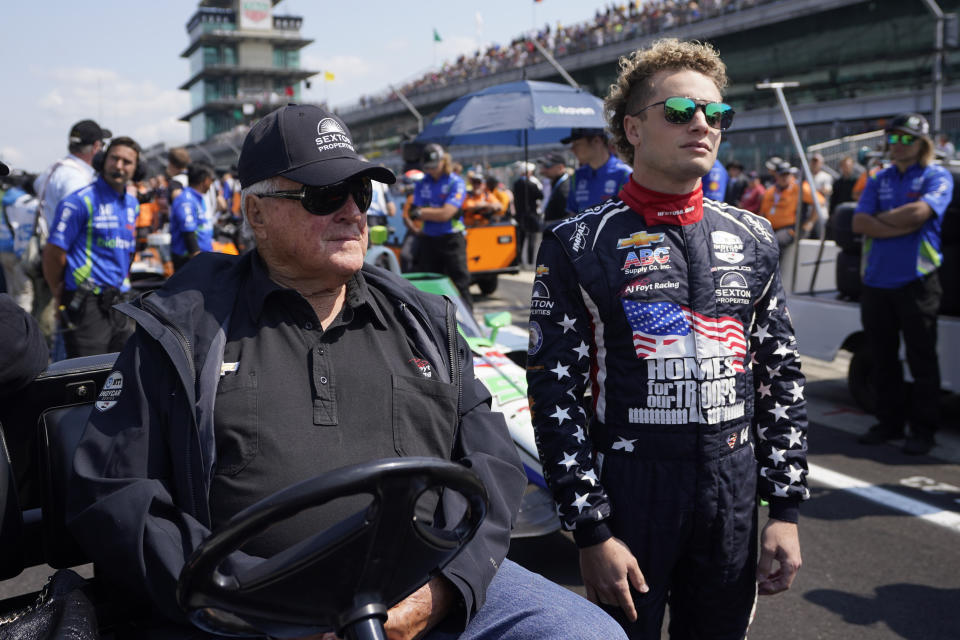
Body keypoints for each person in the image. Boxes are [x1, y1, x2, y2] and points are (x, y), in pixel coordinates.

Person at [66, 104, 625, 640]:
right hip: (247, 606)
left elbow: (494, 467)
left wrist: (444, 591)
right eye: (325, 194)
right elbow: (116, 499)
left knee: (587, 632)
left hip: (430, 581)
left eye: (360, 191)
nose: (353, 211)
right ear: (255, 212)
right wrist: (248, 600)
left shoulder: (423, 319)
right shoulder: (182, 330)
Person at [527, 38, 809, 639]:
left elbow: (779, 374)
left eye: (716, 114)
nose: (702, 124)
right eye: (681, 112)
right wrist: (590, 529)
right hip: (631, 491)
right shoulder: (578, 242)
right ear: (632, 127)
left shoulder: (755, 235)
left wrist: (783, 511)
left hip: (732, 489)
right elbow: (554, 395)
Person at [853, 113, 953, 455]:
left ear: (922, 144)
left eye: (906, 139)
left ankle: (923, 430)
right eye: (894, 138)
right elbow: (859, 222)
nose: (897, 145)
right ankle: (888, 422)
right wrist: (898, 224)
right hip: (877, 281)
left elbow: (919, 214)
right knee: (882, 357)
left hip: (918, 280)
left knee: (921, 358)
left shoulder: (936, 176)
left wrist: (884, 221)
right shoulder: (879, 178)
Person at [41, 136, 140, 358]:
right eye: (114, 158)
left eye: (127, 162)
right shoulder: (79, 201)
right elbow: (53, 252)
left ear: (136, 168)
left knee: (120, 375)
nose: (119, 166)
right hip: (87, 303)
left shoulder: (133, 204)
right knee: (87, 377)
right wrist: (59, 291)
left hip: (121, 302)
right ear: (103, 160)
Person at [31, 119, 112, 343]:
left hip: (45, 248)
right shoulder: (76, 179)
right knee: (61, 319)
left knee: (43, 311)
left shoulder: (53, 169)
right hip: (62, 256)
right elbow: (74, 227)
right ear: (96, 147)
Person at [410, 143, 473, 308]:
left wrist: (425, 212)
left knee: (460, 283)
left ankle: (468, 323)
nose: (431, 170)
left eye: (434, 166)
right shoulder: (422, 183)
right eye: (427, 167)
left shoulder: (456, 182)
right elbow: (413, 212)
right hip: (429, 239)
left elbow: (446, 213)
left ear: (443, 161)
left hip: (451, 238)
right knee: (430, 285)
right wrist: (436, 212)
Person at [563, 127, 632, 214]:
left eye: (577, 144)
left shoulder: (624, 174)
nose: (572, 150)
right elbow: (572, 215)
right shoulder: (577, 175)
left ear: (597, 141)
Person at [758, 162, 824, 250]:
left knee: (775, 242)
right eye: (782, 175)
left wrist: (810, 222)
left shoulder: (799, 188)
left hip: (790, 228)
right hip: (770, 228)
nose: (784, 177)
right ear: (776, 176)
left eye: (787, 174)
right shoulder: (770, 191)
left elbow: (819, 201)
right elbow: (763, 213)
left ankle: (776, 264)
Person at [169, 162, 215, 271]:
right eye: (211, 180)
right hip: (189, 259)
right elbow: (188, 233)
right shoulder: (186, 200)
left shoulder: (199, 198)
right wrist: (198, 261)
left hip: (202, 256)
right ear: (206, 180)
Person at [511, 161, 544, 269]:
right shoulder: (532, 184)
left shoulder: (516, 184)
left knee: (520, 239)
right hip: (532, 215)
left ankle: (519, 261)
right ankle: (530, 261)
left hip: (520, 215)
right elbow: (540, 195)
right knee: (532, 239)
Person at [538, 152, 572, 227]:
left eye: (547, 166)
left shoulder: (565, 187)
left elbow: (569, 218)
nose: (543, 170)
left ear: (560, 167)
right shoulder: (557, 183)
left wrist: (548, 224)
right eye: (543, 166)